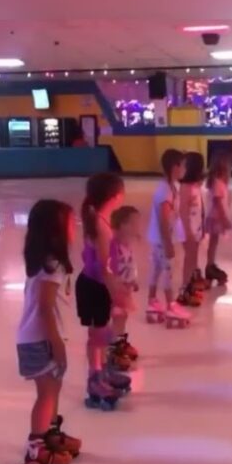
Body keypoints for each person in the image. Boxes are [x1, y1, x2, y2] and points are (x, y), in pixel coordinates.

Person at [16, 199, 76, 464]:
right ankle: (36, 448)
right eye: (69, 223)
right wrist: (56, 343)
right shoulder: (52, 265)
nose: (73, 228)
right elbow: (44, 308)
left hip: (38, 337)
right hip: (41, 339)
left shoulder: (45, 262)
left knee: (53, 388)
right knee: (46, 394)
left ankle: (50, 433)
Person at [75, 173, 130, 410]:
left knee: (100, 333)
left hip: (95, 285)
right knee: (97, 336)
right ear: (114, 196)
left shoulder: (99, 218)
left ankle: (101, 372)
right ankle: (95, 378)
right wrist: (116, 291)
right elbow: (103, 265)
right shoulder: (99, 224)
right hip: (94, 287)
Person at [147, 150, 190, 323]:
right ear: (174, 167)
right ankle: (171, 305)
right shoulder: (165, 191)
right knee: (168, 271)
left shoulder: (171, 187)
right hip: (163, 239)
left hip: (161, 238)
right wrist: (168, 244)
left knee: (157, 268)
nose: (184, 169)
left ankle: (152, 301)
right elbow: (163, 220)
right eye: (183, 166)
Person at [108, 206, 141, 368]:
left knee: (123, 316)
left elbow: (130, 264)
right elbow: (111, 268)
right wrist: (115, 285)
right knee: (118, 317)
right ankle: (114, 347)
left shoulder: (127, 244)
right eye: (133, 224)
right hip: (116, 289)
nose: (137, 227)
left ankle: (119, 341)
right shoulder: (113, 246)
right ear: (122, 225)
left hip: (125, 288)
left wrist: (133, 280)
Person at [177, 152, 207, 305]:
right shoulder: (185, 187)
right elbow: (182, 210)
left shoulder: (195, 185)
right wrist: (187, 230)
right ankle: (184, 290)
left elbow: (200, 207)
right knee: (189, 259)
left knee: (193, 259)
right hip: (188, 227)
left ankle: (190, 287)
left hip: (196, 225)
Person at [203, 154, 232, 286]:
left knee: (214, 242)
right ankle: (209, 265)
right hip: (215, 217)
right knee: (213, 242)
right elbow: (218, 203)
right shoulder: (218, 183)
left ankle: (211, 263)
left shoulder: (219, 183)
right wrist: (224, 219)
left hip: (216, 217)